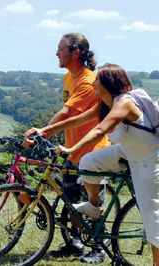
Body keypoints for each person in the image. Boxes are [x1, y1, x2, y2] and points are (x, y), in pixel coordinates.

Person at [47, 63, 159, 265]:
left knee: (153, 221)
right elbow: (76, 120)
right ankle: (93, 205)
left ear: (108, 83)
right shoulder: (105, 103)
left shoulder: (124, 103)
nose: (93, 82)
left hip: (147, 161)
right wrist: (45, 130)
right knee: (88, 161)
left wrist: (71, 149)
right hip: (127, 152)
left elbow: (99, 131)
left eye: (97, 79)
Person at [23, 32, 110, 264]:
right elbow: (68, 115)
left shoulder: (87, 80)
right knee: (72, 201)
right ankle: (75, 243)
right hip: (72, 149)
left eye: (60, 49)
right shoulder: (70, 77)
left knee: (92, 204)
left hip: (92, 151)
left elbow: (67, 113)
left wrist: (43, 131)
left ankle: (100, 249)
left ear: (76, 52)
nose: (56, 53)